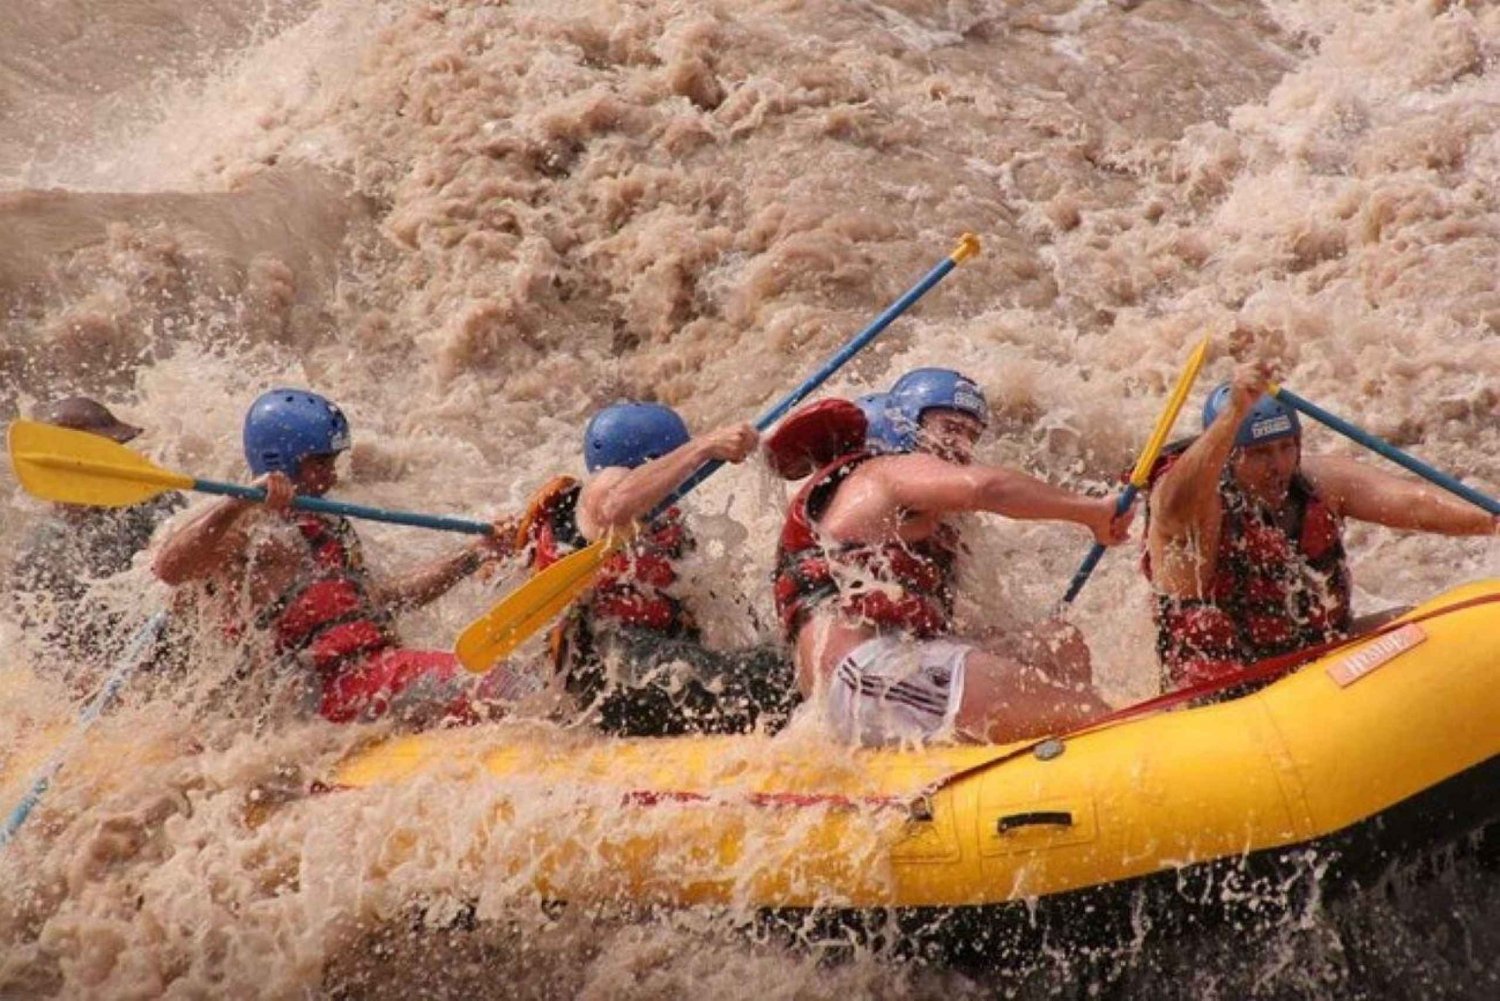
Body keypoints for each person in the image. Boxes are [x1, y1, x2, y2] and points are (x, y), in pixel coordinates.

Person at [772, 368, 1133, 747]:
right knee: (1093, 719)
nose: (961, 445)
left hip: (895, 667)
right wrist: (1092, 511)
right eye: (949, 427)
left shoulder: (921, 523)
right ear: (904, 425)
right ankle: (1083, 741)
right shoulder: (883, 473)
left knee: (1057, 640)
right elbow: (985, 487)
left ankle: (1049, 756)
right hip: (867, 675)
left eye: (970, 435)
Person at [152, 388, 515, 725]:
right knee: (496, 686)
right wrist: (237, 502)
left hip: (367, 677)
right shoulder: (248, 529)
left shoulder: (325, 524)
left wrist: (473, 556)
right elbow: (169, 567)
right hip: (319, 694)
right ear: (283, 463)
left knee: (509, 679)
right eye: (321, 464)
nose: (332, 476)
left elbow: (385, 599)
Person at [1144, 361, 1500, 691]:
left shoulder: (1317, 483)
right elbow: (1173, 505)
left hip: (1316, 667)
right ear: (1228, 455)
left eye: (1286, 447)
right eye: (1260, 453)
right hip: (1226, 695)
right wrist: (1233, 416)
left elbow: (1414, 503)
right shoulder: (1196, 510)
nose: (1278, 466)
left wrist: (1491, 520)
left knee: (1422, 625)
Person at [517, 401, 798, 737]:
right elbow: (614, 504)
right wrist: (704, 446)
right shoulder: (604, 489)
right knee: (780, 680)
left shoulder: (660, 520)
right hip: (617, 670)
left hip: (644, 666)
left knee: (784, 662)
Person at [8, 397, 186, 672]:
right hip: (96, 665)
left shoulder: (153, 503)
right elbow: (36, 641)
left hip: (160, 646)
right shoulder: (38, 549)